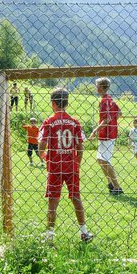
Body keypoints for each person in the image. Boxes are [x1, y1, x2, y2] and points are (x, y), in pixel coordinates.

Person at [38, 87, 93, 243]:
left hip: (55, 166)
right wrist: (77, 163)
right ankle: (84, 232)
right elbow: (80, 147)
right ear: (67, 103)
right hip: (71, 166)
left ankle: (50, 236)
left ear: (53, 103)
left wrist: (44, 156)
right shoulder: (75, 122)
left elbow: (41, 145)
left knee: (53, 201)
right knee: (76, 197)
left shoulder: (49, 122)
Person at [88, 77, 123, 195]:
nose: (96, 88)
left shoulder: (104, 101)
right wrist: (113, 123)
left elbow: (106, 120)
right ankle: (110, 184)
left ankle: (117, 187)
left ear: (102, 87)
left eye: (97, 85)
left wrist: (94, 131)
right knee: (100, 159)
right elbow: (119, 113)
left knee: (104, 160)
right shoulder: (111, 99)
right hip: (111, 133)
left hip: (106, 134)